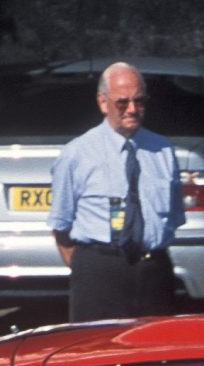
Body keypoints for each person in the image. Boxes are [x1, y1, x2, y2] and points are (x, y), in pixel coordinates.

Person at [50, 62, 183, 322]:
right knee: (96, 353)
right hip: (100, 273)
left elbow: (174, 217)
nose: (132, 110)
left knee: (155, 356)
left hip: (153, 271)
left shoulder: (163, 150)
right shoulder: (77, 153)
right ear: (103, 103)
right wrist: (90, 268)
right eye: (122, 102)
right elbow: (61, 225)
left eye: (140, 101)